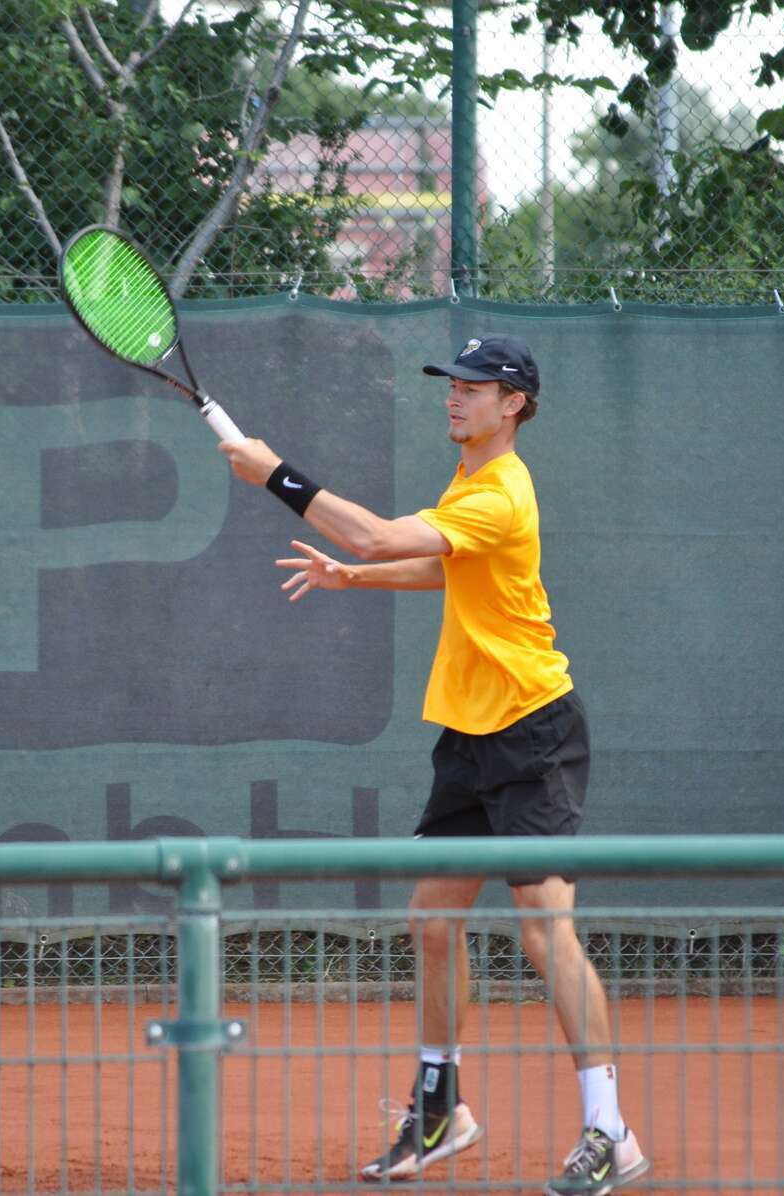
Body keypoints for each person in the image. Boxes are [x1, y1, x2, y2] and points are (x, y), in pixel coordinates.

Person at [219, 335, 647, 1194]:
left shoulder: (501, 491)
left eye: (474, 387)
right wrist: (352, 579)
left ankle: (612, 1131)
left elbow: (379, 536)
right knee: (433, 918)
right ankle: (443, 1104)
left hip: (533, 732)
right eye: (452, 384)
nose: (455, 396)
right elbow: (443, 568)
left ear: (513, 404)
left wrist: (275, 476)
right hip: (470, 731)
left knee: (544, 932)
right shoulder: (467, 482)